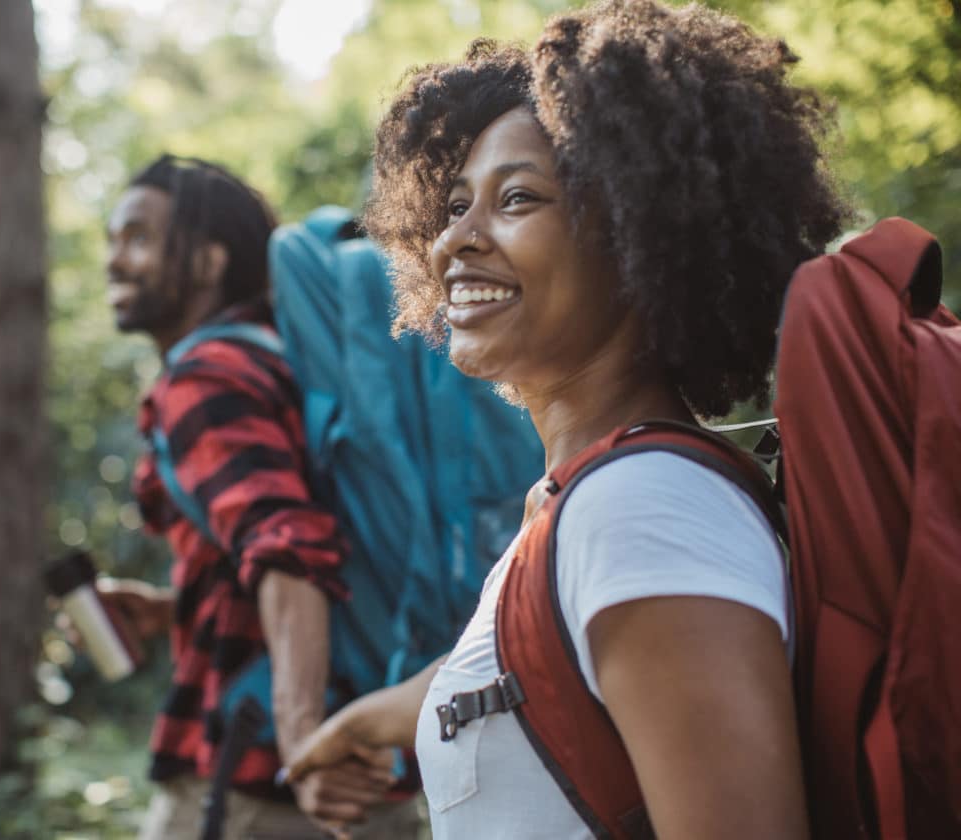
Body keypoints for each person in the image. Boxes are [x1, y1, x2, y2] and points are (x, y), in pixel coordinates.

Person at [280, 1, 852, 837]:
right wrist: (385, 716)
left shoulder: (641, 511)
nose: (455, 242)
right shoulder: (581, 502)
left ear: (638, 235)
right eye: (451, 207)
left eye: (516, 199)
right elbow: (554, 662)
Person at [98, 155, 415, 839]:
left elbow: (288, 546)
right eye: (112, 239)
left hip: (265, 781)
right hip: (364, 750)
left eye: (138, 238)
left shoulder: (207, 377)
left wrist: (300, 737)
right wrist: (167, 612)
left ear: (210, 262)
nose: (114, 260)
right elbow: (306, 535)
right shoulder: (281, 358)